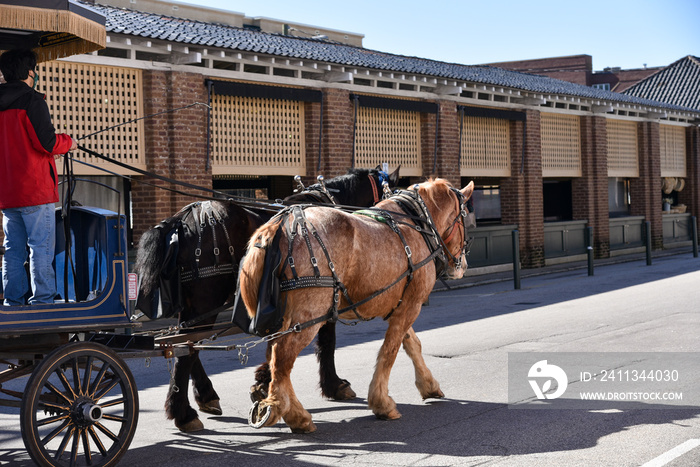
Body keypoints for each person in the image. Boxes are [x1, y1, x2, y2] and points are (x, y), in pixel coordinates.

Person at [0, 49, 77, 305]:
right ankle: (43, 301)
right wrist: (68, 142)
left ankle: (13, 302)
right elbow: (46, 143)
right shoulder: (32, 100)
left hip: (7, 193)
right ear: (30, 72)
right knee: (40, 248)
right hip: (34, 190)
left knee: (13, 250)